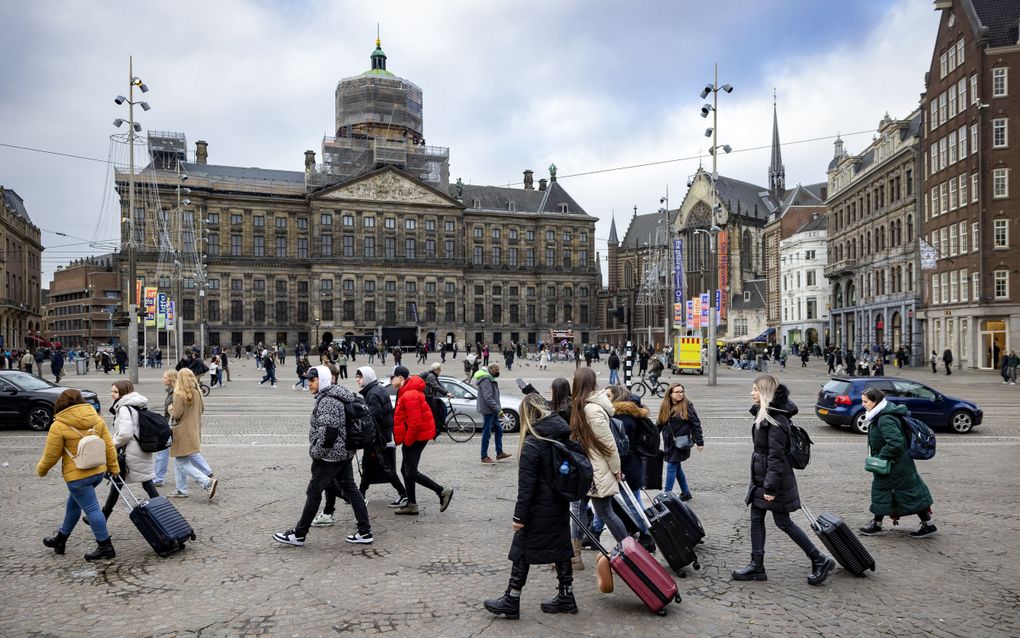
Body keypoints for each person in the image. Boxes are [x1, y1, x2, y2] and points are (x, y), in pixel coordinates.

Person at [732, 374, 835, 585]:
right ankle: (757, 565)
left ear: (765, 393)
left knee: (783, 522)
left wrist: (769, 487)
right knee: (756, 517)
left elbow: (776, 457)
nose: (751, 393)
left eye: (755, 390)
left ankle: (819, 559)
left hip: (773, 479)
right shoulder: (766, 414)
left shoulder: (776, 420)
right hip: (762, 476)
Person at [483, 394, 577, 620]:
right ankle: (567, 596)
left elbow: (526, 489)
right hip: (559, 503)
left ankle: (512, 599)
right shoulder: (560, 435)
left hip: (538, 508)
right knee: (561, 549)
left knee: (521, 550)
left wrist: (518, 517)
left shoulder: (533, 443)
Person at [274, 366, 373, 546]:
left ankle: (299, 534)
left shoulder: (328, 400)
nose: (309, 383)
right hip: (343, 452)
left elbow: (329, 434)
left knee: (314, 492)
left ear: (323, 380)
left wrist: (315, 453)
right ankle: (365, 532)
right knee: (351, 489)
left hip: (330, 456)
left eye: (313, 380)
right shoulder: (336, 395)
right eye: (308, 380)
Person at [37, 389, 121, 561]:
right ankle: (61, 539)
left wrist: (41, 470)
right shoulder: (96, 419)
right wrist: (114, 467)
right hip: (97, 472)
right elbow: (109, 447)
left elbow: (51, 455)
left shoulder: (59, 425)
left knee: (91, 509)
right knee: (74, 505)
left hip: (77, 477)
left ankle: (105, 546)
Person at [567, 368, 630, 563]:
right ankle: (574, 556)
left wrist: (616, 470)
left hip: (597, 470)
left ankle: (630, 553)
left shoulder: (591, 409)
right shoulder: (584, 405)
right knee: (579, 509)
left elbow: (608, 445)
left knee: (606, 512)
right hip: (587, 469)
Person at [858, 387, 937, 538]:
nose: (863, 404)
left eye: (865, 401)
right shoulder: (879, 415)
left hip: (894, 465)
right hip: (898, 464)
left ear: (875, 402)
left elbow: (895, 443)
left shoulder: (885, 418)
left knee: (885, 491)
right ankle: (927, 524)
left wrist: (881, 457)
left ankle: (876, 524)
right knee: (907, 492)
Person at [86, 380, 159, 526]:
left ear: (123, 393)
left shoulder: (125, 408)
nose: (112, 394)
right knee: (138, 482)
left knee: (121, 481)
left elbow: (125, 434)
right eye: (112, 391)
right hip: (141, 449)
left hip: (131, 452)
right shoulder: (137, 404)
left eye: (115, 392)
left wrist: (110, 444)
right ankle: (161, 511)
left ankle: (161, 512)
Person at [391, 366, 453, 515]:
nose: (391, 380)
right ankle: (411, 504)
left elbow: (416, 422)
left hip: (416, 437)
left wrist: (407, 440)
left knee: (410, 471)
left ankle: (442, 491)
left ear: (401, 378)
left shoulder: (410, 394)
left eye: (393, 377)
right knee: (405, 470)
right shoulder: (406, 391)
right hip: (416, 435)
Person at [353, 366, 407, 508]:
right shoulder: (377, 389)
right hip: (380, 435)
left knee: (384, 466)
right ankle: (360, 493)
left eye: (360, 376)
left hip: (377, 437)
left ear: (368, 377)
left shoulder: (372, 394)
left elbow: (374, 416)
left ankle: (404, 493)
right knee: (367, 466)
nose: (357, 379)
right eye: (357, 377)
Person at [167, 368, 218, 499]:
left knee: (182, 463)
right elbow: (201, 410)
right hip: (194, 430)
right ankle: (181, 489)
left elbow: (177, 414)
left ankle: (206, 482)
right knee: (180, 461)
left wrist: (170, 408)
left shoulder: (179, 394)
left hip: (182, 431)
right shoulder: (197, 393)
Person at [658, 383, 704, 501]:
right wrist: (651, 435)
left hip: (680, 443)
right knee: (677, 467)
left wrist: (700, 441)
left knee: (671, 466)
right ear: (670, 394)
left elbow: (696, 424)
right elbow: (660, 422)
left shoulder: (687, 405)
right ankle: (686, 492)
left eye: (682, 391)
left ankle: (666, 495)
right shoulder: (665, 405)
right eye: (677, 392)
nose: (680, 394)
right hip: (669, 443)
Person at [474, 363, 510, 464]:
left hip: (492, 410)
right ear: (491, 370)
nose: (498, 372)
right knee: (487, 433)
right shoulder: (486, 379)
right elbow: (488, 398)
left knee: (499, 430)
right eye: (496, 370)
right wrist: (499, 411)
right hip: (488, 410)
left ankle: (499, 452)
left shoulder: (489, 378)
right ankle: (484, 456)